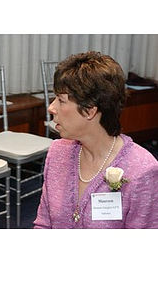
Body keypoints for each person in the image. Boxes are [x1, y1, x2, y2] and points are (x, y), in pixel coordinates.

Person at [33, 51, 158, 229]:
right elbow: (44, 224)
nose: (51, 107)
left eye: (61, 100)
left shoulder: (141, 170)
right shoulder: (58, 152)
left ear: (90, 111)